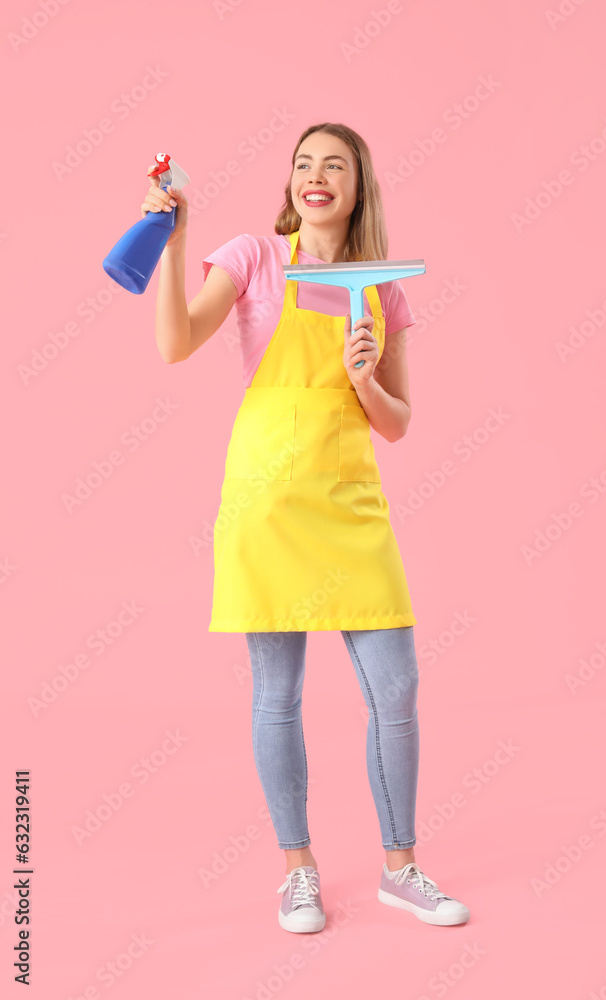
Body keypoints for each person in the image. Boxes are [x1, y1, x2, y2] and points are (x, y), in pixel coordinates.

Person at [141, 122, 470, 932]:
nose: (314, 176)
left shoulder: (383, 288)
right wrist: (177, 243)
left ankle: (402, 867)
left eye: (334, 166)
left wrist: (363, 376)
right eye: (302, 164)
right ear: (289, 182)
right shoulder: (254, 257)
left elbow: (395, 424)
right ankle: (298, 872)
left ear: (358, 188)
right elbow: (177, 342)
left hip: (350, 500)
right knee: (277, 696)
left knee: (396, 688)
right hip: (268, 500)